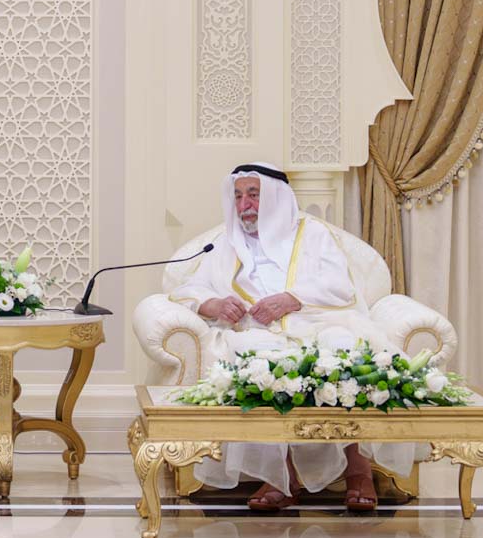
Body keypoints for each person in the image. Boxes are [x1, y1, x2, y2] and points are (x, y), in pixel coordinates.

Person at [168, 162, 400, 512]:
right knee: (259, 356)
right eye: (238, 196)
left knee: (344, 349)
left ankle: (358, 469)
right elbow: (190, 289)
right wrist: (215, 304)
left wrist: (292, 298)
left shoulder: (313, 234)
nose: (244, 204)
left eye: (253, 194)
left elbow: (340, 285)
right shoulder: (226, 243)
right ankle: (282, 476)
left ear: (276, 198)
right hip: (256, 330)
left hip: (317, 321)